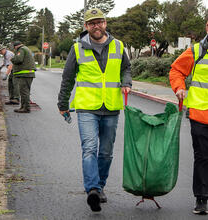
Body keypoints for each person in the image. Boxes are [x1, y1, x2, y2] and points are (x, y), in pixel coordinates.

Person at [57, 8, 132, 212]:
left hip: (111, 107)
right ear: (86, 27)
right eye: (92, 23)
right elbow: (68, 78)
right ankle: (92, 189)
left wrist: (127, 82)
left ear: (105, 23)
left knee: (106, 153)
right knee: (89, 148)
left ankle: (100, 187)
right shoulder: (77, 48)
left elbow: (126, 68)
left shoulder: (118, 46)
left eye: (99, 22)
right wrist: (62, 104)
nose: (96, 26)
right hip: (87, 108)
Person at [169, 21, 208, 215]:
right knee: (202, 157)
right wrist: (179, 87)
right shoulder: (196, 51)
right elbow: (176, 70)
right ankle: (202, 199)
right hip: (200, 113)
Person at [11, 41, 36, 113]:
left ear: (16, 46)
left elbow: (19, 59)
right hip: (27, 74)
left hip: (25, 74)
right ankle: (23, 107)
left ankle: (26, 108)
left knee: (24, 91)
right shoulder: (25, 48)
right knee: (25, 91)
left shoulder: (21, 49)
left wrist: (12, 59)